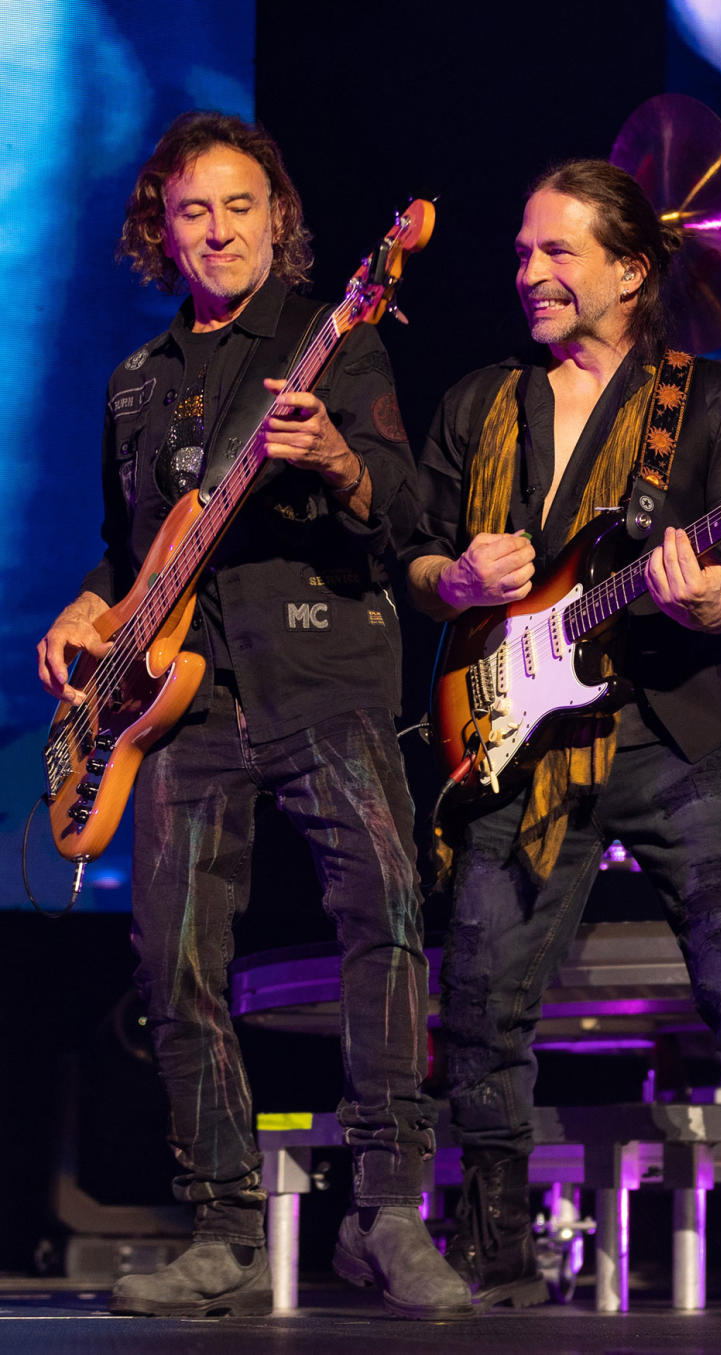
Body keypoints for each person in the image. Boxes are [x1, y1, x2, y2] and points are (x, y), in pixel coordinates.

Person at [36, 110, 472, 1322]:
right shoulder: (137, 384)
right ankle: (221, 1225)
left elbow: (407, 513)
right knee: (174, 957)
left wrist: (335, 457)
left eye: (240, 206)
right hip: (180, 702)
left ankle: (388, 1211)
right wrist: (82, 609)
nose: (218, 230)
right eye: (192, 212)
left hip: (326, 676)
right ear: (159, 232)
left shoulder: (338, 347)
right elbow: (117, 555)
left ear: (278, 218)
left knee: (382, 919)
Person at [406, 159, 721, 1321]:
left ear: (632, 269)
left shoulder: (715, 401)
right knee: (483, 993)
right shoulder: (481, 402)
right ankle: (496, 1251)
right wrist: (451, 575)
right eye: (522, 253)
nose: (529, 272)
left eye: (557, 252)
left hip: (668, 726)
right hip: (517, 736)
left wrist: (713, 599)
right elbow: (415, 556)